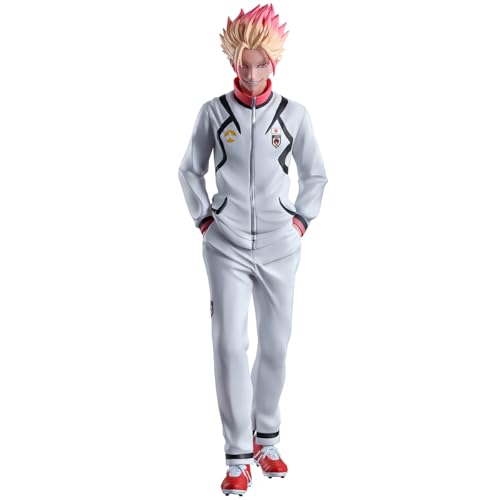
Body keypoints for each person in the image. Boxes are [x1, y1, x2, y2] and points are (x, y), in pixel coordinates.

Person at [178, 4, 328, 496]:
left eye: (262, 64)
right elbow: (189, 170)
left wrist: (300, 219)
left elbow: (315, 174)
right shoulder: (213, 112)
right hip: (226, 245)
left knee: (276, 344)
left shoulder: (294, 115)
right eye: (245, 63)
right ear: (233, 61)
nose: (253, 72)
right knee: (228, 344)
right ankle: (238, 455)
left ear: (274, 63)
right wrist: (205, 218)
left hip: (281, 247)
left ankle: (268, 439)